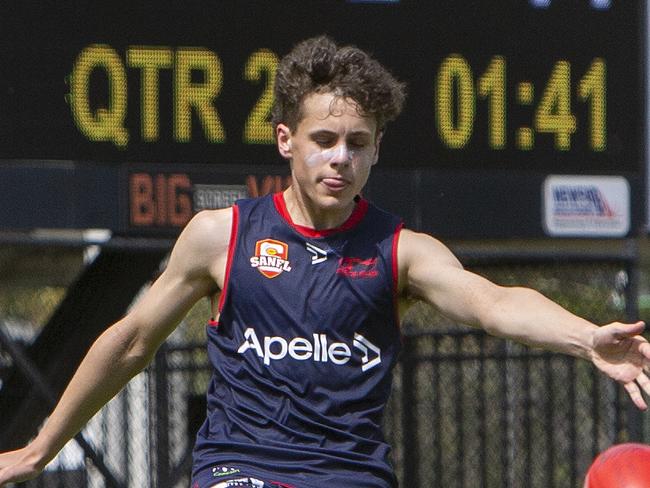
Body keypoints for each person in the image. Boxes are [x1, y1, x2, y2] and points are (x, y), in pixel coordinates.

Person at [1, 35, 649, 488]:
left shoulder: (401, 252)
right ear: (286, 140)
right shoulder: (219, 237)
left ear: (375, 151)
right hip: (238, 469)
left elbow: (493, 302)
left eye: (357, 143)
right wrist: (41, 448)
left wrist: (585, 336)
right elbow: (133, 339)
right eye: (324, 139)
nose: (340, 157)